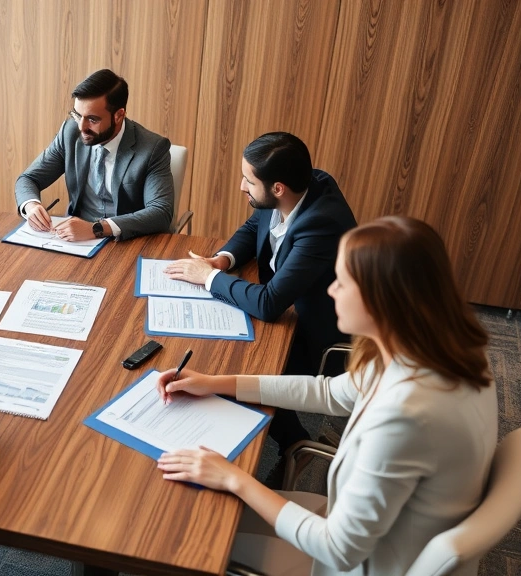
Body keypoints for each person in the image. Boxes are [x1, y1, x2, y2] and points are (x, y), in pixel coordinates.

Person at [155, 216, 497, 575]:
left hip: (359, 563)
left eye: (343, 283)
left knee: (184, 534)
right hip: (387, 530)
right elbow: (329, 392)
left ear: (382, 300)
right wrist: (216, 382)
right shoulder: (444, 349)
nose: (331, 290)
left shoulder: (406, 416)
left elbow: (339, 550)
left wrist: (234, 478)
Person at [164, 132, 357, 478]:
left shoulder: (321, 224)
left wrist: (206, 278)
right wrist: (223, 259)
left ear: (279, 188)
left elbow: (269, 304)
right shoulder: (304, 185)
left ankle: (295, 442)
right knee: (213, 359)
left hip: (311, 333)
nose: (242, 186)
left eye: (248, 181)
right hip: (288, 309)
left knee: (233, 368)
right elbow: (256, 222)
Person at [15, 69, 173, 241]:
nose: (81, 127)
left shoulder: (152, 148)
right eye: (77, 115)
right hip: (74, 239)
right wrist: (31, 205)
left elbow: (160, 212)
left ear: (119, 115)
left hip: (125, 240)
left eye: (92, 119)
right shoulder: (70, 133)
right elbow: (28, 178)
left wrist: (97, 228)